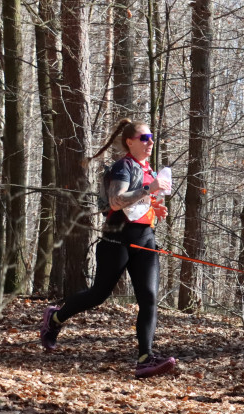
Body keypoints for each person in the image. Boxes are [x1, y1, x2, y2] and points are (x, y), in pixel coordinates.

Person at [39, 119, 176, 379]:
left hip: (146, 239)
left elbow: (140, 202)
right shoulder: (122, 167)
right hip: (118, 239)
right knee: (99, 294)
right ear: (130, 142)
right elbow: (116, 200)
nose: (150, 142)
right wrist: (149, 189)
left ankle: (145, 358)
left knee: (149, 298)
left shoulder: (148, 169)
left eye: (152, 138)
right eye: (145, 138)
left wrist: (155, 207)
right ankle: (55, 319)